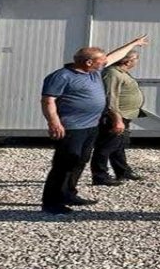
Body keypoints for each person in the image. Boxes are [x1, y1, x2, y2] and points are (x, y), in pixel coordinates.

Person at [39, 35, 148, 215]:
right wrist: (54, 122)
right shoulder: (61, 76)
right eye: (101, 61)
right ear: (89, 62)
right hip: (70, 127)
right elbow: (48, 100)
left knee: (79, 161)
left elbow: (113, 55)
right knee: (64, 163)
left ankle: (68, 193)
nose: (106, 63)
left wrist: (134, 43)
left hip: (90, 126)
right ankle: (51, 202)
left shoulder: (93, 72)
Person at [91, 50, 145, 185]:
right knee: (107, 145)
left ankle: (123, 170)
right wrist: (116, 118)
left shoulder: (121, 73)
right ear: (128, 61)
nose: (136, 62)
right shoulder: (112, 73)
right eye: (135, 59)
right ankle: (100, 176)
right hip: (115, 116)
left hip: (125, 115)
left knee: (119, 144)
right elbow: (111, 96)